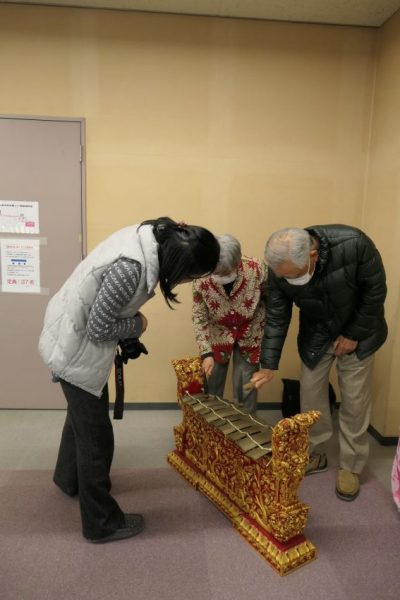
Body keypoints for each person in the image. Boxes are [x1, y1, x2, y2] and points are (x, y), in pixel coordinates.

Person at [38, 217, 220, 543]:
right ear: (180, 264)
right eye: (191, 275)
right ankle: (101, 523)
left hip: (68, 333)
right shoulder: (131, 269)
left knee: (80, 420)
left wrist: (128, 323)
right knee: (96, 440)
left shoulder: (151, 235)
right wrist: (138, 326)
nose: (188, 281)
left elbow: (104, 311)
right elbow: (98, 329)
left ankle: (68, 480)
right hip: (75, 347)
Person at [251, 225, 387, 501]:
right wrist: (268, 364)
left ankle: (350, 466)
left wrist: (353, 335)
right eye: (279, 273)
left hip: (359, 331)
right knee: (310, 395)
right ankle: (315, 451)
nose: (281, 278)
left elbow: (375, 293)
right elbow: (277, 316)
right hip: (316, 333)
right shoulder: (279, 268)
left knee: (355, 400)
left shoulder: (354, 244)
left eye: (290, 275)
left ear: (313, 255)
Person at [192, 234, 266, 413]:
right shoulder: (200, 275)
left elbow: (271, 302)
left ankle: (244, 432)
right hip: (217, 335)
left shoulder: (257, 269)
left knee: (245, 389)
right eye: (216, 273)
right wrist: (205, 352)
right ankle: (212, 434)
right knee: (211, 389)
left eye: (225, 273)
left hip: (250, 333)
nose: (220, 277)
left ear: (237, 263)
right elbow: (199, 315)